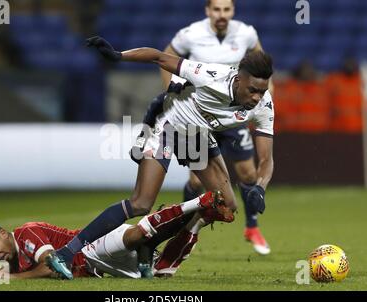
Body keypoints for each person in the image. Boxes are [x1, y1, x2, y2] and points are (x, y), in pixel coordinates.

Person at [46, 35, 274, 280]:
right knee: (141, 203)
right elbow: (159, 57)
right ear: (238, 79)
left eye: (261, 92)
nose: (256, 98)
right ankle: (66, 252)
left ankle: (149, 243)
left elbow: (266, 160)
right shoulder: (211, 75)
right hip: (167, 127)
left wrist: (259, 188)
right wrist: (119, 55)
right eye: (252, 90)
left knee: (225, 205)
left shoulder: (263, 105)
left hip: (196, 137)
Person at [151, 0, 272, 256]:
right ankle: (181, 227)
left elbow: (261, 64)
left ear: (233, 11)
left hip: (232, 115)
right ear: (208, 11)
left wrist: (264, 101)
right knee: (196, 182)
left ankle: (252, 227)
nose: (221, 15)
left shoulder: (246, 33)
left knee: (248, 174)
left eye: (226, 10)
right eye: (216, 9)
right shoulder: (191, 34)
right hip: (199, 113)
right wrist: (171, 90)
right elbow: (167, 54)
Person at [0, 191, 224, 280]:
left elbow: (50, 266)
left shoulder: (26, 234)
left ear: (4, 234)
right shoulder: (14, 258)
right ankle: (199, 219)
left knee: (137, 235)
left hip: (91, 248)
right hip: (100, 268)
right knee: (160, 273)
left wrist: (12, 278)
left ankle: (197, 202)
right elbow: (6, 271)